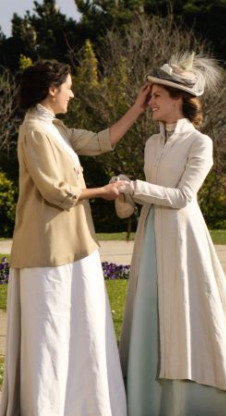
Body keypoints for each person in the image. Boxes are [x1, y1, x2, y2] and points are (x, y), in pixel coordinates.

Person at [117, 52, 226, 415]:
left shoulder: (200, 143)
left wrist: (135, 187)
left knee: (189, 313)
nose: (150, 102)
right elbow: (147, 197)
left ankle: (200, 401)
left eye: (157, 96)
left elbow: (182, 196)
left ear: (179, 99)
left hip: (183, 240)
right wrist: (125, 191)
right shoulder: (151, 143)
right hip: (151, 235)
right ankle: (148, 402)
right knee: (150, 314)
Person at [0, 59, 149, 415]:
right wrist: (104, 192)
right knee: (50, 334)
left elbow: (101, 141)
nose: (73, 93)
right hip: (47, 249)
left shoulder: (55, 127)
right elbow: (56, 191)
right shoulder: (35, 131)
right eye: (68, 87)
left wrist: (138, 108)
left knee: (84, 327)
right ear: (52, 90)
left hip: (76, 244)